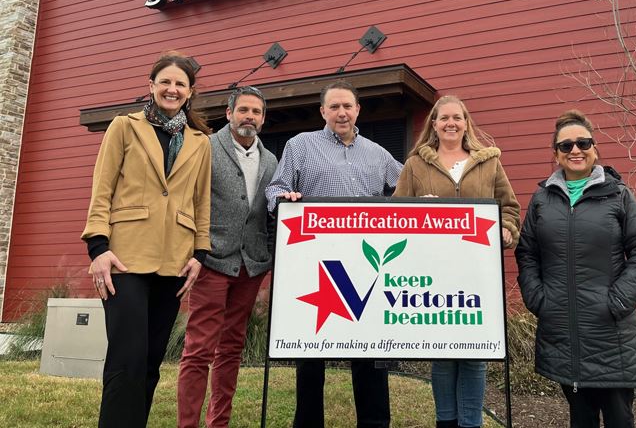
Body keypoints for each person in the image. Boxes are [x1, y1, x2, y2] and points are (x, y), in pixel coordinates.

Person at [81, 52, 212, 428]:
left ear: (190, 92)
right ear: (151, 85)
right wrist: (98, 248)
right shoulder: (124, 126)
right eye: (165, 82)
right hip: (124, 257)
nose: (172, 89)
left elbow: (201, 201)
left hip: (174, 259)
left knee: (152, 358)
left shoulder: (200, 142)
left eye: (180, 84)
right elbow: (101, 190)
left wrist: (199, 252)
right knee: (128, 357)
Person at [266, 80, 402, 428]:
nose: (342, 112)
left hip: (365, 264)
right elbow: (276, 189)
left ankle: (374, 423)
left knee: (370, 349)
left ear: (358, 110)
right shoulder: (300, 146)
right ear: (323, 111)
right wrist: (284, 200)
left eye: (348, 106)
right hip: (315, 262)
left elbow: (407, 190)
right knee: (311, 354)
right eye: (335, 107)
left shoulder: (378, 153)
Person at [515, 110, 636, 428]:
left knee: (620, 419)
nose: (575, 150)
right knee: (581, 419)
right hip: (563, 333)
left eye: (583, 142)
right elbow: (527, 253)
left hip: (611, 333)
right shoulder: (541, 199)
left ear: (595, 148)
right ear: (556, 154)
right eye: (566, 146)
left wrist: (617, 300)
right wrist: (539, 298)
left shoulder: (619, 195)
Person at [393, 95, 520, 428]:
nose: (451, 123)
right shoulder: (415, 166)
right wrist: (422, 209)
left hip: (478, 273)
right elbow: (396, 213)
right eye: (443, 117)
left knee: (475, 356)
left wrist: (506, 229)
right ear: (433, 124)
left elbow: (509, 207)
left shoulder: (489, 162)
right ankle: (445, 422)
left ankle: (471, 423)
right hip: (434, 274)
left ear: (466, 123)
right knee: (444, 356)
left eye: (457, 117)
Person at [177, 86, 278, 428]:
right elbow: (187, 199)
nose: (250, 117)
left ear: (263, 119)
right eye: (244, 110)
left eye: (257, 112)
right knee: (199, 350)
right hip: (211, 261)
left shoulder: (271, 160)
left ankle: (218, 422)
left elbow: (268, 211)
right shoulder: (205, 148)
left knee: (232, 347)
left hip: (252, 265)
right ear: (229, 114)